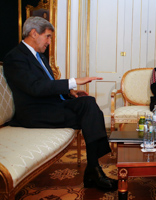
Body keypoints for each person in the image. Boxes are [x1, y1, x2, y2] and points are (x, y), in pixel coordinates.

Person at [3, 16, 117, 191]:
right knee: (90, 111)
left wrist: (70, 92)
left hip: (50, 106)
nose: (49, 41)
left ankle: (94, 169)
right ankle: (94, 170)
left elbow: (47, 84)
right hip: (35, 114)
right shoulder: (15, 57)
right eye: (47, 36)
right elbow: (35, 87)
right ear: (34, 33)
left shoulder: (39, 56)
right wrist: (74, 81)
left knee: (88, 103)